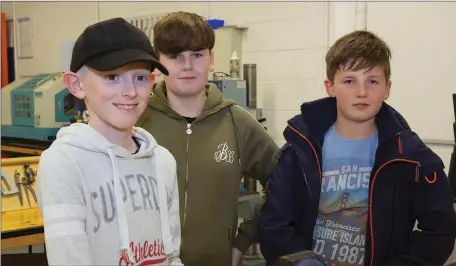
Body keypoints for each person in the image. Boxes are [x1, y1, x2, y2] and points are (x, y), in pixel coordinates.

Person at [259, 30, 456, 266]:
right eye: (350, 80)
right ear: (330, 87)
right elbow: (273, 224)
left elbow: (439, 230)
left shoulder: (411, 157)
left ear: (387, 88)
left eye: (372, 81)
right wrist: (300, 262)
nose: (362, 92)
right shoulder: (298, 151)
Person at [136, 11, 279, 266]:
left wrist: (244, 239)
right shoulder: (136, 122)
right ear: (158, 62)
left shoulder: (238, 123)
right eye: (175, 56)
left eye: (197, 55)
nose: (187, 65)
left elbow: (286, 184)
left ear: (211, 59)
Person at [37, 18, 183, 266]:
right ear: (76, 84)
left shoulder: (163, 161)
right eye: (112, 77)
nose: (130, 92)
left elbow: (172, 256)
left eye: (140, 77)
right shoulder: (63, 163)